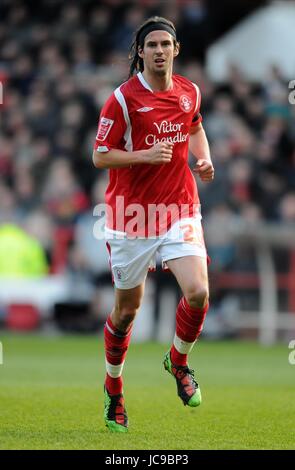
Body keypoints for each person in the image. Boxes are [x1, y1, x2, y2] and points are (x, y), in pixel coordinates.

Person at [92, 16, 214, 433]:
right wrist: (144, 155)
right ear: (140, 52)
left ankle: (178, 361)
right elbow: (100, 156)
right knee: (127, 313)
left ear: (176, 49)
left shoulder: (190, 92)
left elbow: (194, 127)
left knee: (197, 292)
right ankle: (114, 389)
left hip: (179, 208)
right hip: (131, 217)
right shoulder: (123, 99)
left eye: (166, 44)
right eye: (152, 45)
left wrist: (204, 158)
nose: (159, 51)